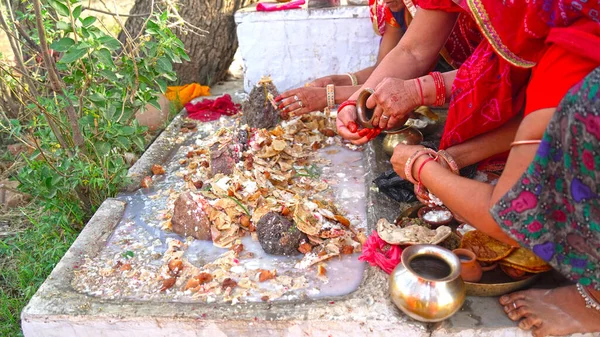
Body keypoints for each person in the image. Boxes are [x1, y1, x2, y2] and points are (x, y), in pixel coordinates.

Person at [335, 0, 600, 335]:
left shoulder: (569, 52)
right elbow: (417, 49)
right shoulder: (554, 20)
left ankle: (595, 300)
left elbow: (507, 213)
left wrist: (420, 166)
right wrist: (361, 99)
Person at [274, 0, 479, 117]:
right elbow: (401, 59)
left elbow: (409, 79)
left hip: (481, 90)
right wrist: (342, 81)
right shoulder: (392, 9)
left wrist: (331, 96)